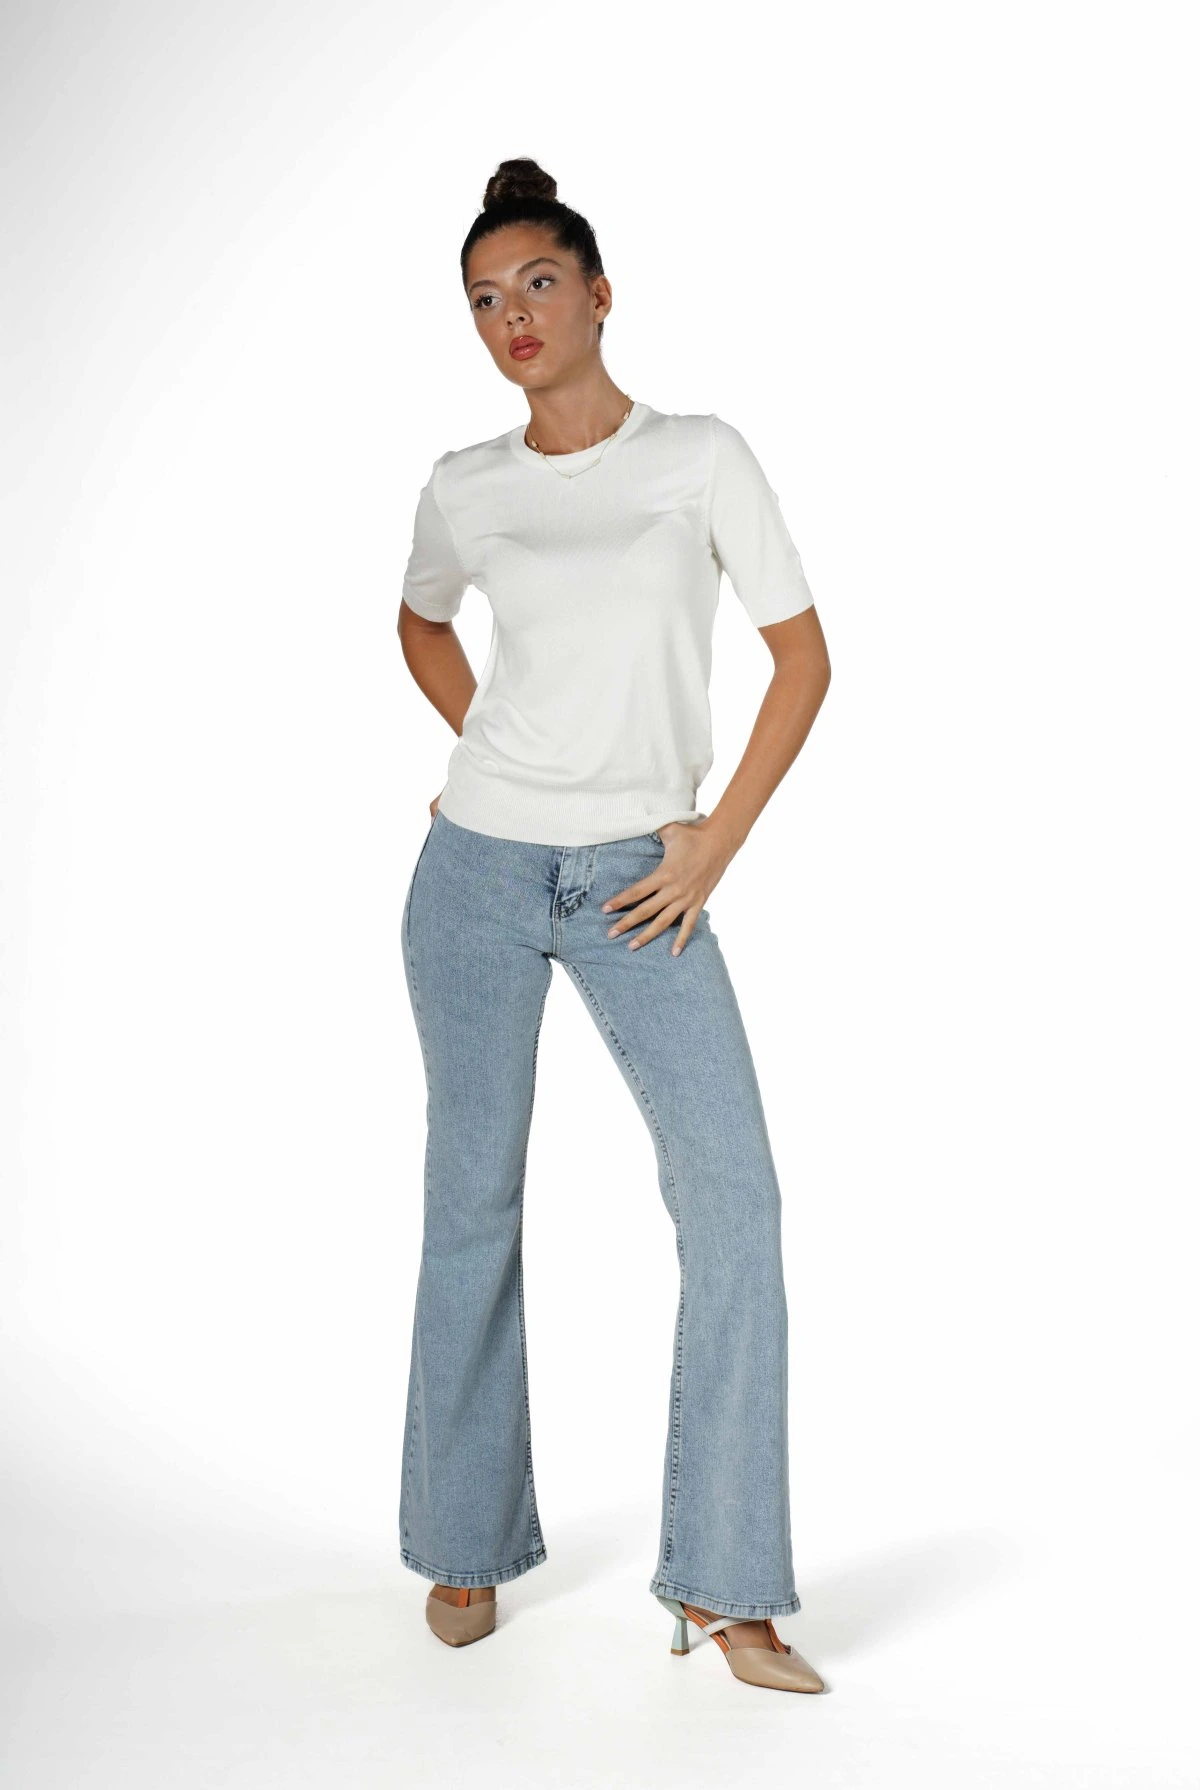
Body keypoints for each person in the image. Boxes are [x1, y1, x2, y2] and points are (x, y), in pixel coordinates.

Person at [396, 157, 832, 1694]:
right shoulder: (467, 485)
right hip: (476, 875)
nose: (510, 316)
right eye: (483, 300)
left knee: (736, 1201)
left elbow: (803, 659)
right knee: (473, 1199)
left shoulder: (699, 457)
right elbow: (420, 621)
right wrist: (488, 750)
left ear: (597, 292)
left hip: (644, 877)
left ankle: (729, 1584)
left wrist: (713, 841)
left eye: (535, 284)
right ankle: (462, 1537)